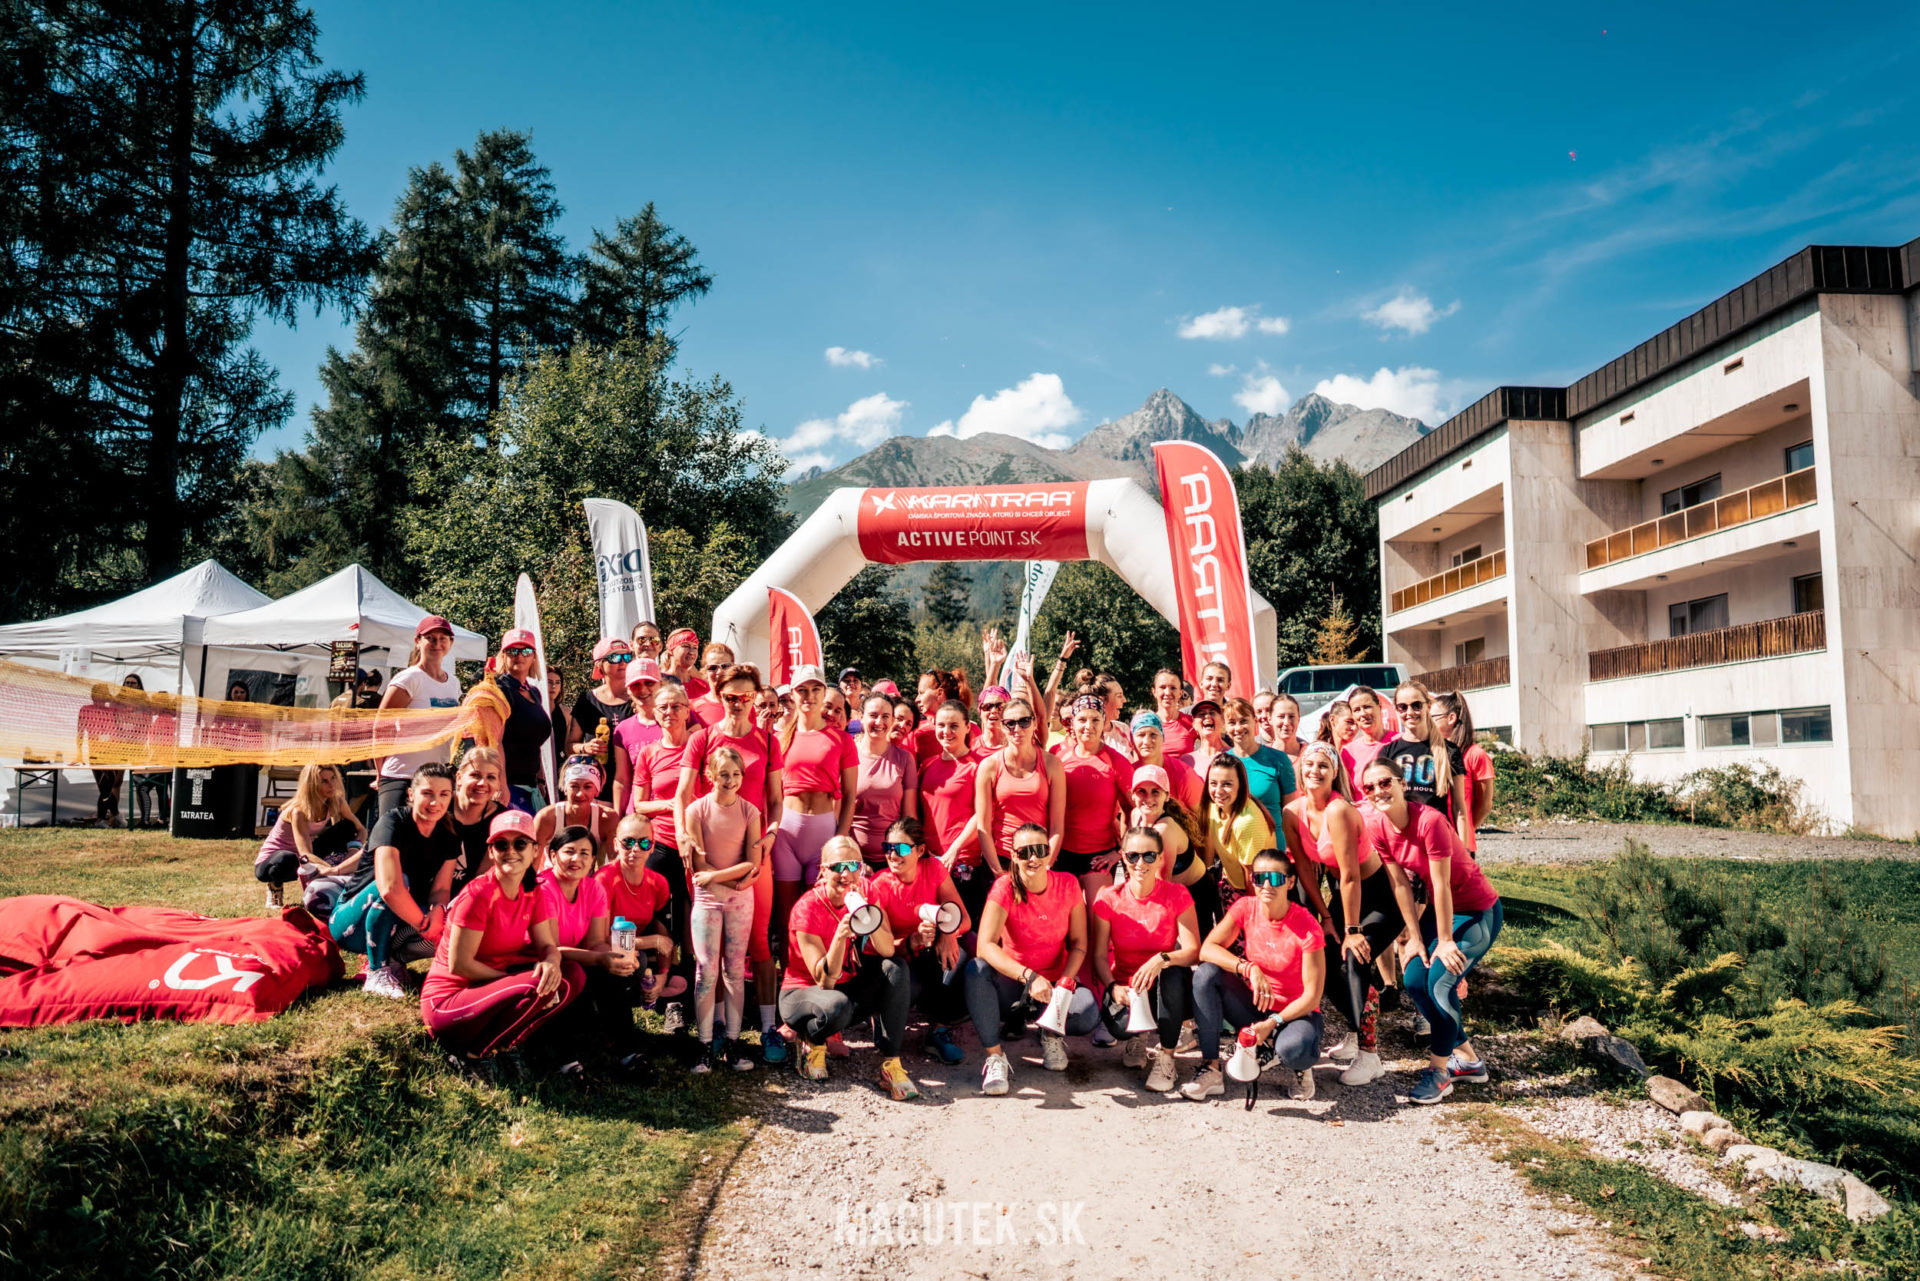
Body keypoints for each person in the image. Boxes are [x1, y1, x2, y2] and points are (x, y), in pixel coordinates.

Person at [1358, 757, 1504, 1104]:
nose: (1379, 791)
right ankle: (1468, 1060)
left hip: (1476, 910)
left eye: (1385, 782)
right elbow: (1401, 887)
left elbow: (1441, 885)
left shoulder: (1430, 822)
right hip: (1442, 911)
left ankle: (1439, 1071)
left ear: (1401, 783)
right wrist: (1413, 940)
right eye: (1370, 787)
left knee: (1439, 984)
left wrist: (1447, 941)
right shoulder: (1378, 827)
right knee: (1413, 981)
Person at [1285, 741, 1421, 1086]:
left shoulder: (1339, 811)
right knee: (1322, 959)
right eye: (1308, 764)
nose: (1314, 771)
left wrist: (1352, 928)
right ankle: (1353, 1029)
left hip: (1379, 894)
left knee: (1354, 958)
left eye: (1323, 766)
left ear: (1334, 774)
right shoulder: (1292, 812)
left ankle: (1370, 1054)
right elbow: (1303, 868)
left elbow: (1348, 874)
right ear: (1300, 770)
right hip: (1344, 897)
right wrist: (1326, 918)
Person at [677, 664, 787, 1061]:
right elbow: (683, 794)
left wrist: (770, 836)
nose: (738, 704)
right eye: (730, 697)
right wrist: (683, 835)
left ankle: (769, 1027)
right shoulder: (702, 738)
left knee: (757, 944)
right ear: (718, 695)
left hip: (756, 852)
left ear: (755, 698)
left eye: (746, 697)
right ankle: (719, 1026)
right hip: (709, 853)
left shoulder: (768, 742)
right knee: (712, 950)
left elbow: (776, 799)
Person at [420, 810, 582, 1067]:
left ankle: (507, 1044)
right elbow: (460, 965)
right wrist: (515, 985)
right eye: (501, 844)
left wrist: (551, 961)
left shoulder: (534, 891)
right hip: (449, 1005)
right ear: (491, 852)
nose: (511, 851)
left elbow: (547, 945)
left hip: (493, 995)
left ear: (535, 850)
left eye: (520, 843)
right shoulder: (478, 895)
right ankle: (475, 1055)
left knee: (572, 975)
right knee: (535, 986)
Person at [778, 836, 918, 1099]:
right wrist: (840, 937)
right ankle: (811, 1044)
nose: (846, 874)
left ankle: (891, 1064)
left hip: (844, 987)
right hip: (803, 992)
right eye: (837, 867)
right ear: (822, 871)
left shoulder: (866, 889)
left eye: (853, 865)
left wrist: (869, 915)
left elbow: (888, 949)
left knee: (896, 968)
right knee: (836, 1005)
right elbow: (824, 981)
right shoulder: (806, 909)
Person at [1185, 848, 1327, 1101]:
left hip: (1295, 1014)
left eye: (1275, 878)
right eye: (1260, 878)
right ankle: (1211, 1068)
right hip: (1255, 1005)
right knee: (1206, 975)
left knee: (1294, 1049)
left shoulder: (1307, 926)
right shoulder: (1245, 907)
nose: (1266, 885)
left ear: (1290, 881)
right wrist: (1246, 967)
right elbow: (1207, 949)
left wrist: (1273, 1023)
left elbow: (1313, 997)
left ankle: (1299, 1066)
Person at [965, 823, 1096, 1092]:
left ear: (1050, 854)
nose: (1033, 858)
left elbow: (1079, 944)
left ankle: (1050, 1033)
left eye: (1039, 850)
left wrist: (1064, 984)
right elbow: (985, 946)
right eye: (1024, 852)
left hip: (1053, 982)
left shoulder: (1068, 884)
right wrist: (1029, 976)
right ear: (1013, 856)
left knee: (1087, 1012)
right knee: (976, 970)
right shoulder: (1004, 886)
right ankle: (995, 1058)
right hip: (1015, 983)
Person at [331, 763, 460, 999]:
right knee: (402, 881)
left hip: (401, 921)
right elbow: (390, 888)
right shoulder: (392, 822)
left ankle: (394, 961)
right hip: (351, 925)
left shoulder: (448, 835)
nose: (436, 802)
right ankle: (376, 971)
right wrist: (424, 924)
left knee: (452, 922)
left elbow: (441, 889)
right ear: (411, 794)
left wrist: (439, 913)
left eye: (444, 794)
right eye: (427, 793)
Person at [1091, 825, 1199, 1094]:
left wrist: (1161, 959)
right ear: (1123, 857)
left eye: (1149, 856)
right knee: (1119, 1026)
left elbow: (1193, 951)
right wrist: (1113, 987)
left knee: (1172, 972)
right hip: (1128, 988)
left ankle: (1166, 1058)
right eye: (1133, 856)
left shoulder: (1177, 895)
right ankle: (1137, 1036)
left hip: (1164, 987)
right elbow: (1099, 955)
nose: (1141, 863)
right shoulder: (1109, 898)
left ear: (1161, 858)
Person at [684, 745, 773, 1072]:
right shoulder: (696, 811)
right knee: (706, 970)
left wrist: (717, 876)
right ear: (710, 775)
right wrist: (715, 876)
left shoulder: (750, 811)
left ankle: (735, 1043)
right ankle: (705, 1044)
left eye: (736, 775)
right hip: (707, 900)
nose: (731, 780)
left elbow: (752, 861)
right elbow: (698, 865)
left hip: (738, 897)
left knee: (735, 969)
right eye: (724, 775)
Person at [538, 824, 648, 1071]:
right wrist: (600, 959)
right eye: (569, 851)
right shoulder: (543, 889)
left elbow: (595, 942)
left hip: (578, 957)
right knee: (577, 973)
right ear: (552, 854)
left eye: (585, 853)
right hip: (543, 963)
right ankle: (567, 1058)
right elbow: (551, 950)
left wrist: (615, 956)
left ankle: (626, 1051)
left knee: (624, 966)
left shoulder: (593, 888)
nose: (577, 859)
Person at [866, 817, 972, 1064]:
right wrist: (910, 942)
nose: (893, 855)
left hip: (928, 955)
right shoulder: (878, 884)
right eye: (888, 848)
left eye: (901, 848)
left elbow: (963, 919)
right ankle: (881, 1016)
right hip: (898, 961)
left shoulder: (934, 870)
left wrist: (946, 934)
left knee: (959, 958)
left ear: (920, 850)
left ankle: (939, 1030)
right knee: (900, 980)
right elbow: (875, 949)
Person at [774, 666, 858, 974]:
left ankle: (821, 982)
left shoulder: (841, 740)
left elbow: (849, 796)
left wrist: (841, 840)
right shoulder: (780, 736)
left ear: (824, 693)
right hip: (786, 832)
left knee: (823, 915)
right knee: (785, 918)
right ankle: (790, 986)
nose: (808, 697)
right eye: (802, 690)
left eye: (815, 690)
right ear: (793, 695)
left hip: (824, 835)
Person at [630, 681, 699, 1032]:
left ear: (688, 710)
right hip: (660, 845)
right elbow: (639, 802)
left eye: (676, 706)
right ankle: (666, 997)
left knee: (694, 925)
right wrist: (673, 804)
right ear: (653, 715)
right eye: (663, 708)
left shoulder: (701, 746)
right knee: (662, 922)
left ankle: (694, 995)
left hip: (698, 846)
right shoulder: (649, 753)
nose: (669, 713)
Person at [595, 814, 683, 1066]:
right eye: (628, 842)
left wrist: (664, 974)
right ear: (615, 844)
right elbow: (600, 938)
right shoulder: (604, 880)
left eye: (644, 843)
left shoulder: (657, 882)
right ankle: (624, 1043)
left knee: (681, 978)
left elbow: (663, 931)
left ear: (653, 846)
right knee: (632, 961)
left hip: (634, 948)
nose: (635, 849)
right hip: (602, 953)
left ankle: (672, 1023)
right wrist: (650, 942)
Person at [371, 617, 462, 821]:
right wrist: (380, 773)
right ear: (418, 641)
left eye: (442, 639)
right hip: (402, 775)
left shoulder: (453, 683)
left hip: (436, 780)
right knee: (388, 840)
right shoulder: (409, 678)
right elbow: (380, 727)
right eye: (430, 638)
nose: (437, 644)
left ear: (450, 643)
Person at [253, 763, 366, 908]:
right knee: (286, 859)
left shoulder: (336, 801)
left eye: (333, 779)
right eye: (324, 781)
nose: (331, 785)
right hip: (274, 862)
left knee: (347, 827)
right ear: (312, 785)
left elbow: (361, 830)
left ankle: (338, 870)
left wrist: (354, 850)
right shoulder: (298, 811)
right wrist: (335, 871)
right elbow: (304, 853)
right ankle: (275, 887)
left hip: (306, 855)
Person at [1052, 691, 1131, 899]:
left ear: (1104, 722)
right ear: (1072, 723)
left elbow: (1136, 809)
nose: (1089, 726)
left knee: (1098, 928)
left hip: (1100, 856)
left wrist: (1120, 851)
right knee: (1067, 927)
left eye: (1095, 719)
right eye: (1082, 719)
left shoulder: (1116, 761)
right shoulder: (1057, 757)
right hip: (1062, 855)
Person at [974, 696, 1067, 871]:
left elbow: (1057, 826)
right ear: (1002, 726)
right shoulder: (989, 766)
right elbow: (983, 827)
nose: (1017, 729)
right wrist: (997, 871)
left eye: (1024, 721)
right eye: (1010, 723)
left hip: (1039, 856)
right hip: (1002, 857)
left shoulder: (1052, 764)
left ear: (1034, 723)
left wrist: (1046, 865)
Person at [1380, 681, 1472, 850]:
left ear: (1428, 706)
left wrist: (1464, 851)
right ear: (1397, 709)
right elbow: (1383, 805)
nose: (1410, 712)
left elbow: (1459, 808)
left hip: (1439, 840)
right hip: (1404, 844)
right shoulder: (1387, 752)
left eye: (1416, 705)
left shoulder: (1449, 750)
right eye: (1402, 707)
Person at [919, 701, 989, 922]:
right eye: (941, 725)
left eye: (953, 726)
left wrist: (954, 849)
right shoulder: (928, 764)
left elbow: (982, 813)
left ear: (968, 727)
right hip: (928, 862)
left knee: (961, 930)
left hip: (961, 863)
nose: (946, 732)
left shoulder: (978, 766)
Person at [1128, 761, 1214, 933]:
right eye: (1141, 791)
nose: (1148, 799)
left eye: (1155, 792)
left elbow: (1161, 884)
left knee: (1192, 953)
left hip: (1196, 893)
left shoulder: (1164, 831)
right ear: (1132, 795)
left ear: (1166, 796)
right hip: (1170, 890)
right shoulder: (1136, 815)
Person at [480, 628, 553, 810]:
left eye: (526, 651)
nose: (519, 656)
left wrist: (540, 779)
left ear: (534, 657)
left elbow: (535, 742)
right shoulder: (497, 690)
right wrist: (500, 784)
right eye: (513, 651)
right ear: (503, 655)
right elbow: (494, 742)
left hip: (532, 787)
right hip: (508, 785)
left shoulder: (534, 692)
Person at [851, 695, 919, 866]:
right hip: (853, 859)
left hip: (892, 858)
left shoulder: (905, 759)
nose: (879, 722)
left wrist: (908, 856)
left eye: (885, 716)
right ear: (861, 717)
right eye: (873, 715)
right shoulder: (848, 754)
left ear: (892, 719)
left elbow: (909, 815)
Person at [1205, 754, 1276, 908]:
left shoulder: (1247, 822)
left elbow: (1253, 877)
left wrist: (1251, 916)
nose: (1218, 791)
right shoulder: (1214, 808)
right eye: (1213, 783)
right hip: (1231, 884)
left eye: (1227, 784)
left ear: (1241, 785)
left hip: (1258, 891)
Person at [1434, 691, 1495, 857]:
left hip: (1461, 844)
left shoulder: (1475, 755)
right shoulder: (1431, 752)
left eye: (1432, 717)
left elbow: (1484, 805)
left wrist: (1467, 827)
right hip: (1434, 841)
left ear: (1451, 718)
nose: (1428, 722)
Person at [1223, 696, 1298, 819]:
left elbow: (1290, 813)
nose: (1238, 728)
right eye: (1232, 723)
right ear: (1225, 726)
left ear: (1255, 721)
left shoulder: (1279, 759)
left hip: (1273, 837)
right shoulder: (1221, 763)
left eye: (1243, 721)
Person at [611, 658, 666, 815]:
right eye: (635, 684)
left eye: (649, 683)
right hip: (636, 815)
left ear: (660, 684)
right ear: (628, 689)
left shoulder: (679, 719)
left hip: (669, 813)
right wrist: (618, 818)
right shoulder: (623, 729)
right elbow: (622, 779)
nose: (642, 690)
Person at [535, 756, 618, 852]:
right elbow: (532, 862)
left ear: (597, 791)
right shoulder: (546, 817)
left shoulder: (608, 818)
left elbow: (615, 861)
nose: (580, 794)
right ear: (565, 789)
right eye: (574, 786)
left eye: (587, 787)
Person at [573, 639, 637, 758]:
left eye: (627, 657)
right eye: (614, 657)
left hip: (634, 772)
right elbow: (569, 745)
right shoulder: (587, 700)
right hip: (598, 772)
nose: (622, 662)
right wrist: (585, 747)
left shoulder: (638, 696)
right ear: (599, 664)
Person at [1129, 711, 1204, 813]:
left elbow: (1204, 815)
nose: (1147, 741)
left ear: (1163, 738)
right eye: (1141, 735)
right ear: (1132, 741)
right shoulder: (1128, 774)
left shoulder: (1182, 773)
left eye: (1153, 735)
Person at [911, 669, 971, 765]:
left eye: (921, 693)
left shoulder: (970, 729)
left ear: (939, 693)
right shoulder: (916, 730)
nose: (917, 699)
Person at [1339, 686, 1392, 786]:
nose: (1363, 713)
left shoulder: (1399, 741)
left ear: (1379, 707)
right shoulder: (1348, 752)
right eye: (1357, 710)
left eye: (1367, 707)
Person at [1151, 669, 1196, 758]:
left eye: (1173, 688)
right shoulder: (1145, 724)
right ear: (1154, 692)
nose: (1167, 693)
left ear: (1180, 693)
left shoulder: (1192, 723)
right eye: (1162, 687)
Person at [661, 627, 708, 699]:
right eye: (686, 646)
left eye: (695, 647)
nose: (692, 652)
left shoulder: (702, 687)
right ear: (671, 650)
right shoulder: (660, 683)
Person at [972, 682, 1013, 760]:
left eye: (1000, 706)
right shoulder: (970, 748)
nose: (993, 710)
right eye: (987, 706)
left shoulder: (1016, 746)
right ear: (980, 711)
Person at [1189, 700, 1227, 778]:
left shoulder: (1234, 756)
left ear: (1222, 720)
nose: (1207, 716)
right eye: (1201, 714)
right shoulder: (1187, 761)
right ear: (1194, 724)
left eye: (1212, 713)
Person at [1268, 693, 1304, 764]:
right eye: (1281, 716)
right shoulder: (1261, 756)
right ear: (1270, 719)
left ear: (1298, 719)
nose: (1286, 722)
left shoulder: (1310, 755)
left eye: (1291, 716)